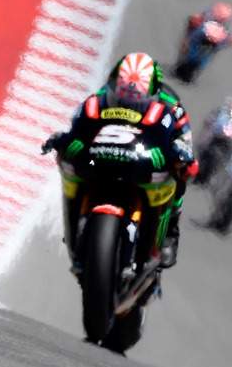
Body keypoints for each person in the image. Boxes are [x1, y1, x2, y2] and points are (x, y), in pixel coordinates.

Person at [42, 52, 196, 274]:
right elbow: (79, 127)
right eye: (123, 92)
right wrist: (64, 140)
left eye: (136, 96)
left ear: (152, 91)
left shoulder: (172, 106)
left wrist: (182, 154)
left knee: (180, 176)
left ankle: (170, 232)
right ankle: (76, 225)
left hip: (146, 153)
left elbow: (185, 140)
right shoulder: (98, 98)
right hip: (107, 154)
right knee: (72, 164)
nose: (128, 100)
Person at [194, 94, 232, 185]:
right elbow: (211, 120)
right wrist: (217, 127)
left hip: (228, 143)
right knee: (205, 151)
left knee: (225, 159)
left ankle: (213, 173)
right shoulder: (222, 112)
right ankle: (200, 169)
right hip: (216, 137)